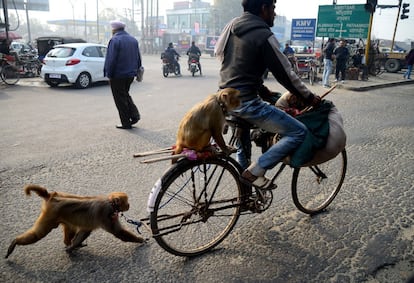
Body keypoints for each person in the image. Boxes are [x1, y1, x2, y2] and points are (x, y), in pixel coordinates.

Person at [215, 0, 320, 189]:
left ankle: (245, 192)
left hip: (225, 99)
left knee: (242, 147)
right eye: (273, 8)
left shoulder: (232, 28)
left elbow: (238, 68)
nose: (275, 13)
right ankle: (255, 172)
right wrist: (309, 97)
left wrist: (263, 90)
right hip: (246, 103)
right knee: (298, 131)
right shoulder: (263, 35)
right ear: (264, 9)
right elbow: (286, 74)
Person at [104, 20, 142, 130]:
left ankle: (126, 123)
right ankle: (134, 115)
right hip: (130, 74)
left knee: (120, 99)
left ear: (113, 29)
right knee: (125, 94)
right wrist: (137, 70)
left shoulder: (115, 40)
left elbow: (111, 59)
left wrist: (109, 74)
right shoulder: (133, 40)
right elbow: (138, 57)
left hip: (118, 74)